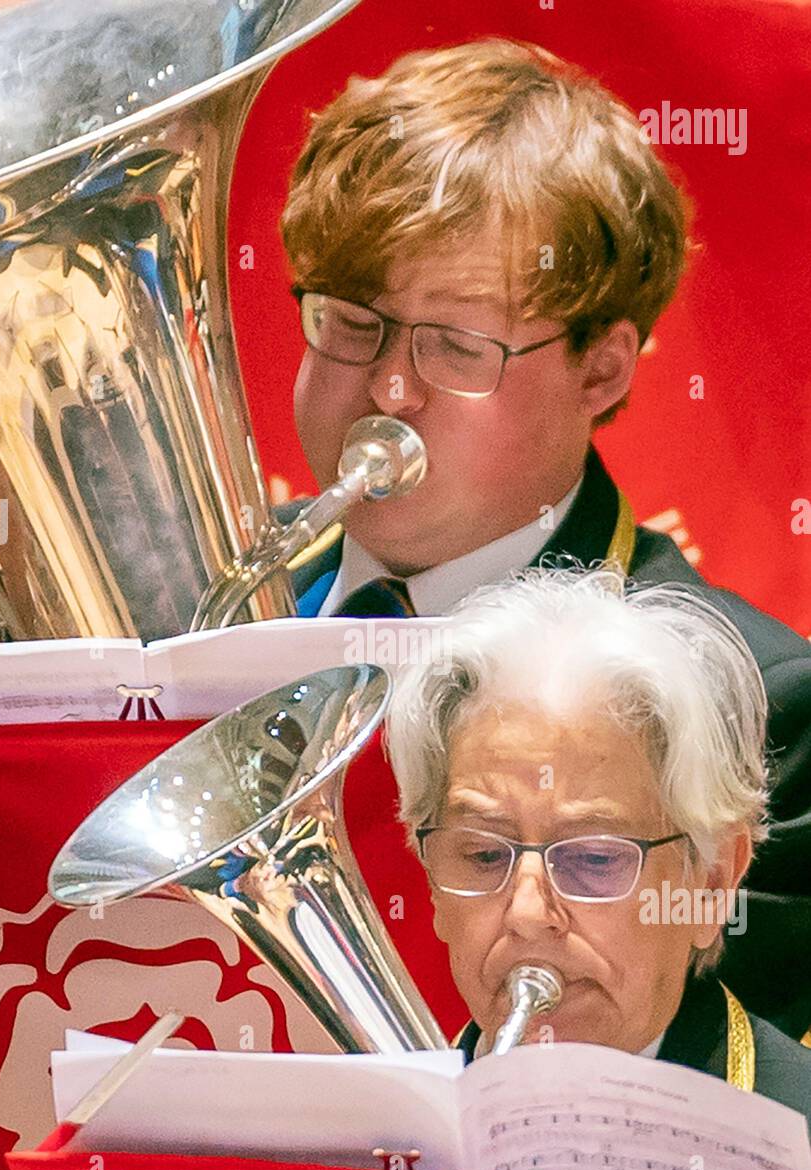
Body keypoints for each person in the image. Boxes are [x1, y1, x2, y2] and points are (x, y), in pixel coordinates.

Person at [275, 38, 811, 1038]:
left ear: (600, 370)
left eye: (456, 344)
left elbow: (720, 1087)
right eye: (350, 322)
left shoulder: (766, 706)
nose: (388, 388)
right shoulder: (189, 606)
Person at [384, 568, 811, 1117]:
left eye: (593, 858)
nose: (528, 914)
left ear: (711, 885)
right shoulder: (377, 1145)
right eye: (485, 855)